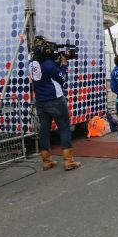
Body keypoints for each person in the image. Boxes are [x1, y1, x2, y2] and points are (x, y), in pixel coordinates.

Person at [30, 36, 81, 172]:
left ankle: (46, 161)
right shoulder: (49, 64)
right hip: (55, 99)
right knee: (64, 128)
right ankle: (69, 161)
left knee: (44, 130)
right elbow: (62, 78)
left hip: (40, 101)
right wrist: (64, 64)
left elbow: (46, 75)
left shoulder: (32, 64)